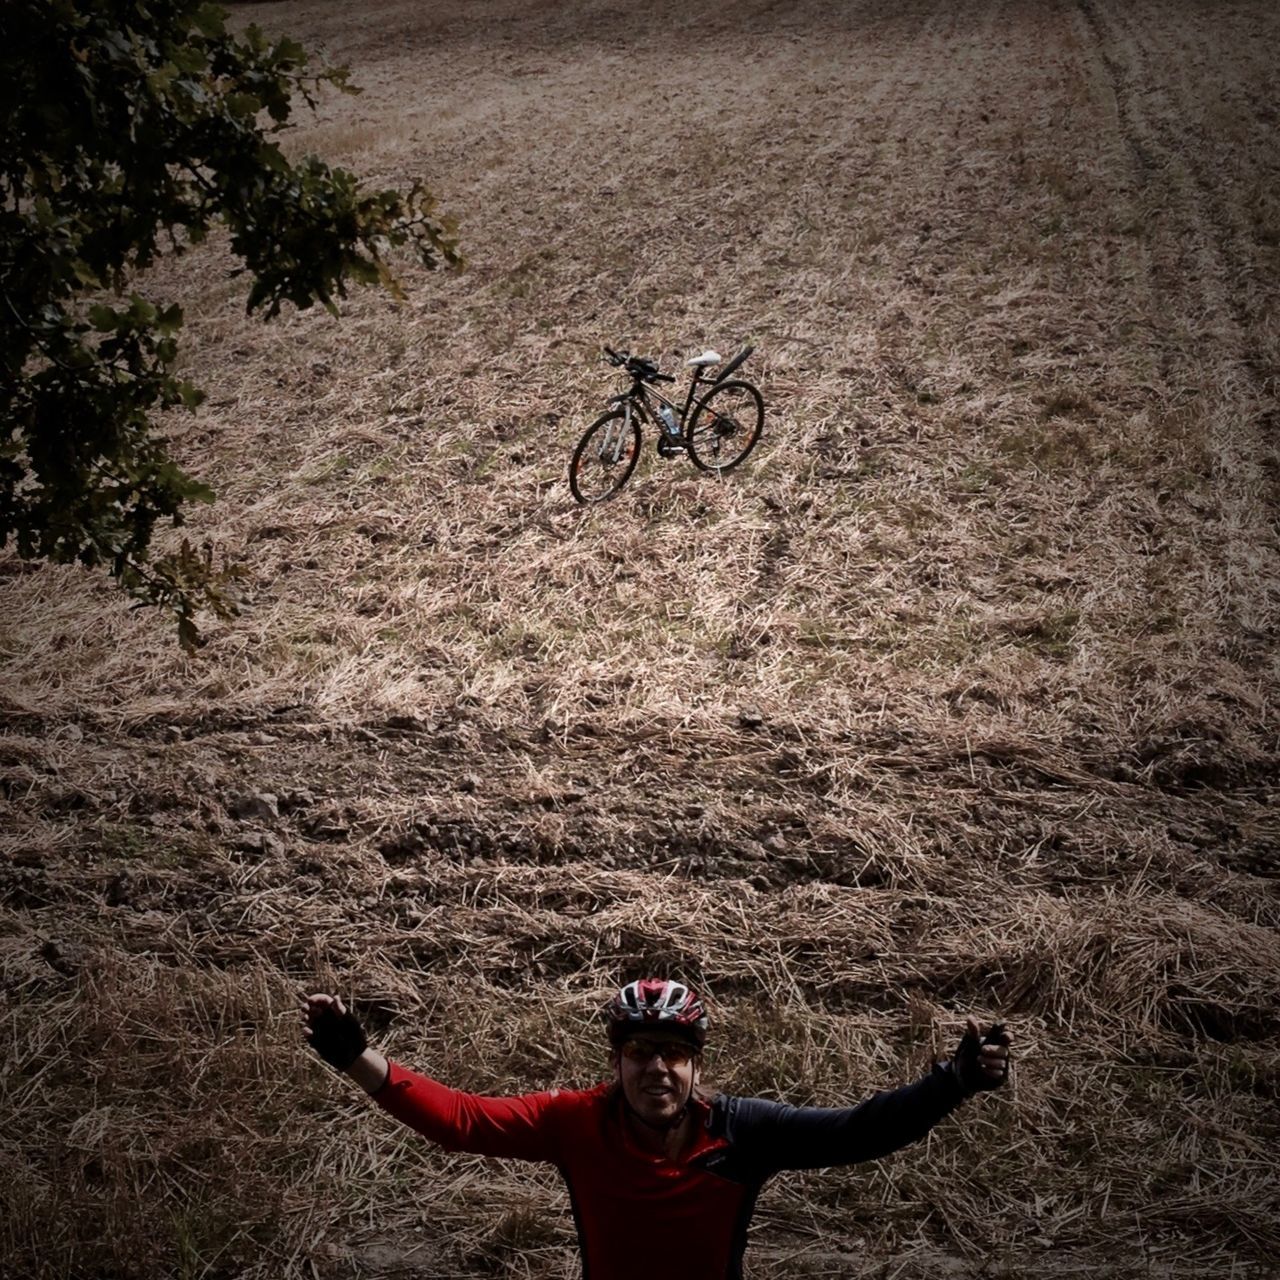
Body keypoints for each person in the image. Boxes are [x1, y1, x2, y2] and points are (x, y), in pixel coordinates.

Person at [301, 977, 1012, 1280]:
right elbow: (460, 1120)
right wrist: (354, 1057)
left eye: (674, 1053)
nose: (658, 1070)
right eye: (640, 1053)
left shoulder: (744, 1130)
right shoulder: (573, 1123)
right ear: (616, 1060)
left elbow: (858, 1132)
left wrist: (951, 1084)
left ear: (697, 1065)